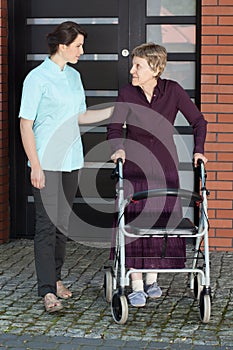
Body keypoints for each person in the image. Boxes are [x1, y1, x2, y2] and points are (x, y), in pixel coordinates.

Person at [19, 21, 112, 313]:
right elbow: (26, 124)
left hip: (72, 160)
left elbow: (80, 116)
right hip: (46, 162)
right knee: (46, 227)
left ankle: (56, 278)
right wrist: (35, 165)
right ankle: (47, 291)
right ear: (62, 46)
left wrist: (115, 110)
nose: (82, 51)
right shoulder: (36, 79)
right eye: (78, 46)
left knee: (62, 226)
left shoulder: (74, 76)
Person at [107, 42, 208, 308]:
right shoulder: (128, 92)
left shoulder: (172, 91)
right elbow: (115, 126)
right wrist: (117, 149)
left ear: (155, 67)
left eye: (138, 65)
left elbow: (199, 121)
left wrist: (198, 151)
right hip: (135, 167)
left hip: (165, 168)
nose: (132, 70)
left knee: (160, 223)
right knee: (136, 225)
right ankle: (136, 284)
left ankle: (152, 279)